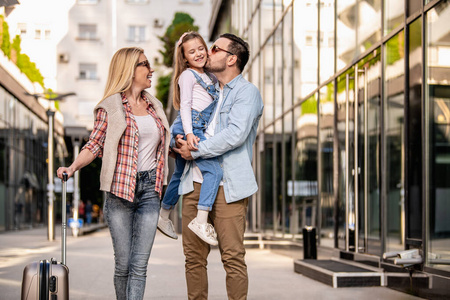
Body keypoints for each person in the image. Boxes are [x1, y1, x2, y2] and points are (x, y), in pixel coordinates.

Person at [56, 47, 170, 300]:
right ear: (129, 70)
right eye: (145, 65)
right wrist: (72, 167)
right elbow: (94, 144)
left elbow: (161, 146)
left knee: (140, 266)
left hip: (150, 190)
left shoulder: (155, 106)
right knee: (124, 264)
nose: (150, 70)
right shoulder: (110, 107)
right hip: (119, 192)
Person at [173, 33, 263, 300]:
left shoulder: (247, 93)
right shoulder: (204, 86)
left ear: (231, 58)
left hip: (228, 186)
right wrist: (178, 140)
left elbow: (235, 134)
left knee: (232, 257)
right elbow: (185, 117)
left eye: (214, 48)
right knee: (193, 259)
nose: (207, 52)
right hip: (194, 184)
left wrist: (195, 150)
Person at [157, 31, 222, 246]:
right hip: (191, 127)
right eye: (191, 51)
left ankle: (164, 215)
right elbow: (184, 106)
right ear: (184, 58)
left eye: (201, 48)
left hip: (194, 127)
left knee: (179, 173)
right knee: (213, 171)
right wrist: (190, 133)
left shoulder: (210, 77)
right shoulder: (187, 76)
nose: (198, 54)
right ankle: (201, 219)